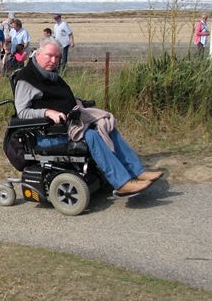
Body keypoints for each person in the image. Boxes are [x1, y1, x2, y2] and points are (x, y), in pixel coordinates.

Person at [15, 38, 163, 198]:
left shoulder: (51, 75)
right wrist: (46, 112)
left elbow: (60, 97)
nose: (54, 60)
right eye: (49, 55)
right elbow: (22, 112)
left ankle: (137, 171)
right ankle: (122, 183)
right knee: (91, 135)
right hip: (47, 134)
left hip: (68, 126)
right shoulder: (26, 78)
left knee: (106, 126)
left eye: (57, 57)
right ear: (37, 54)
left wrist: (77, 101)